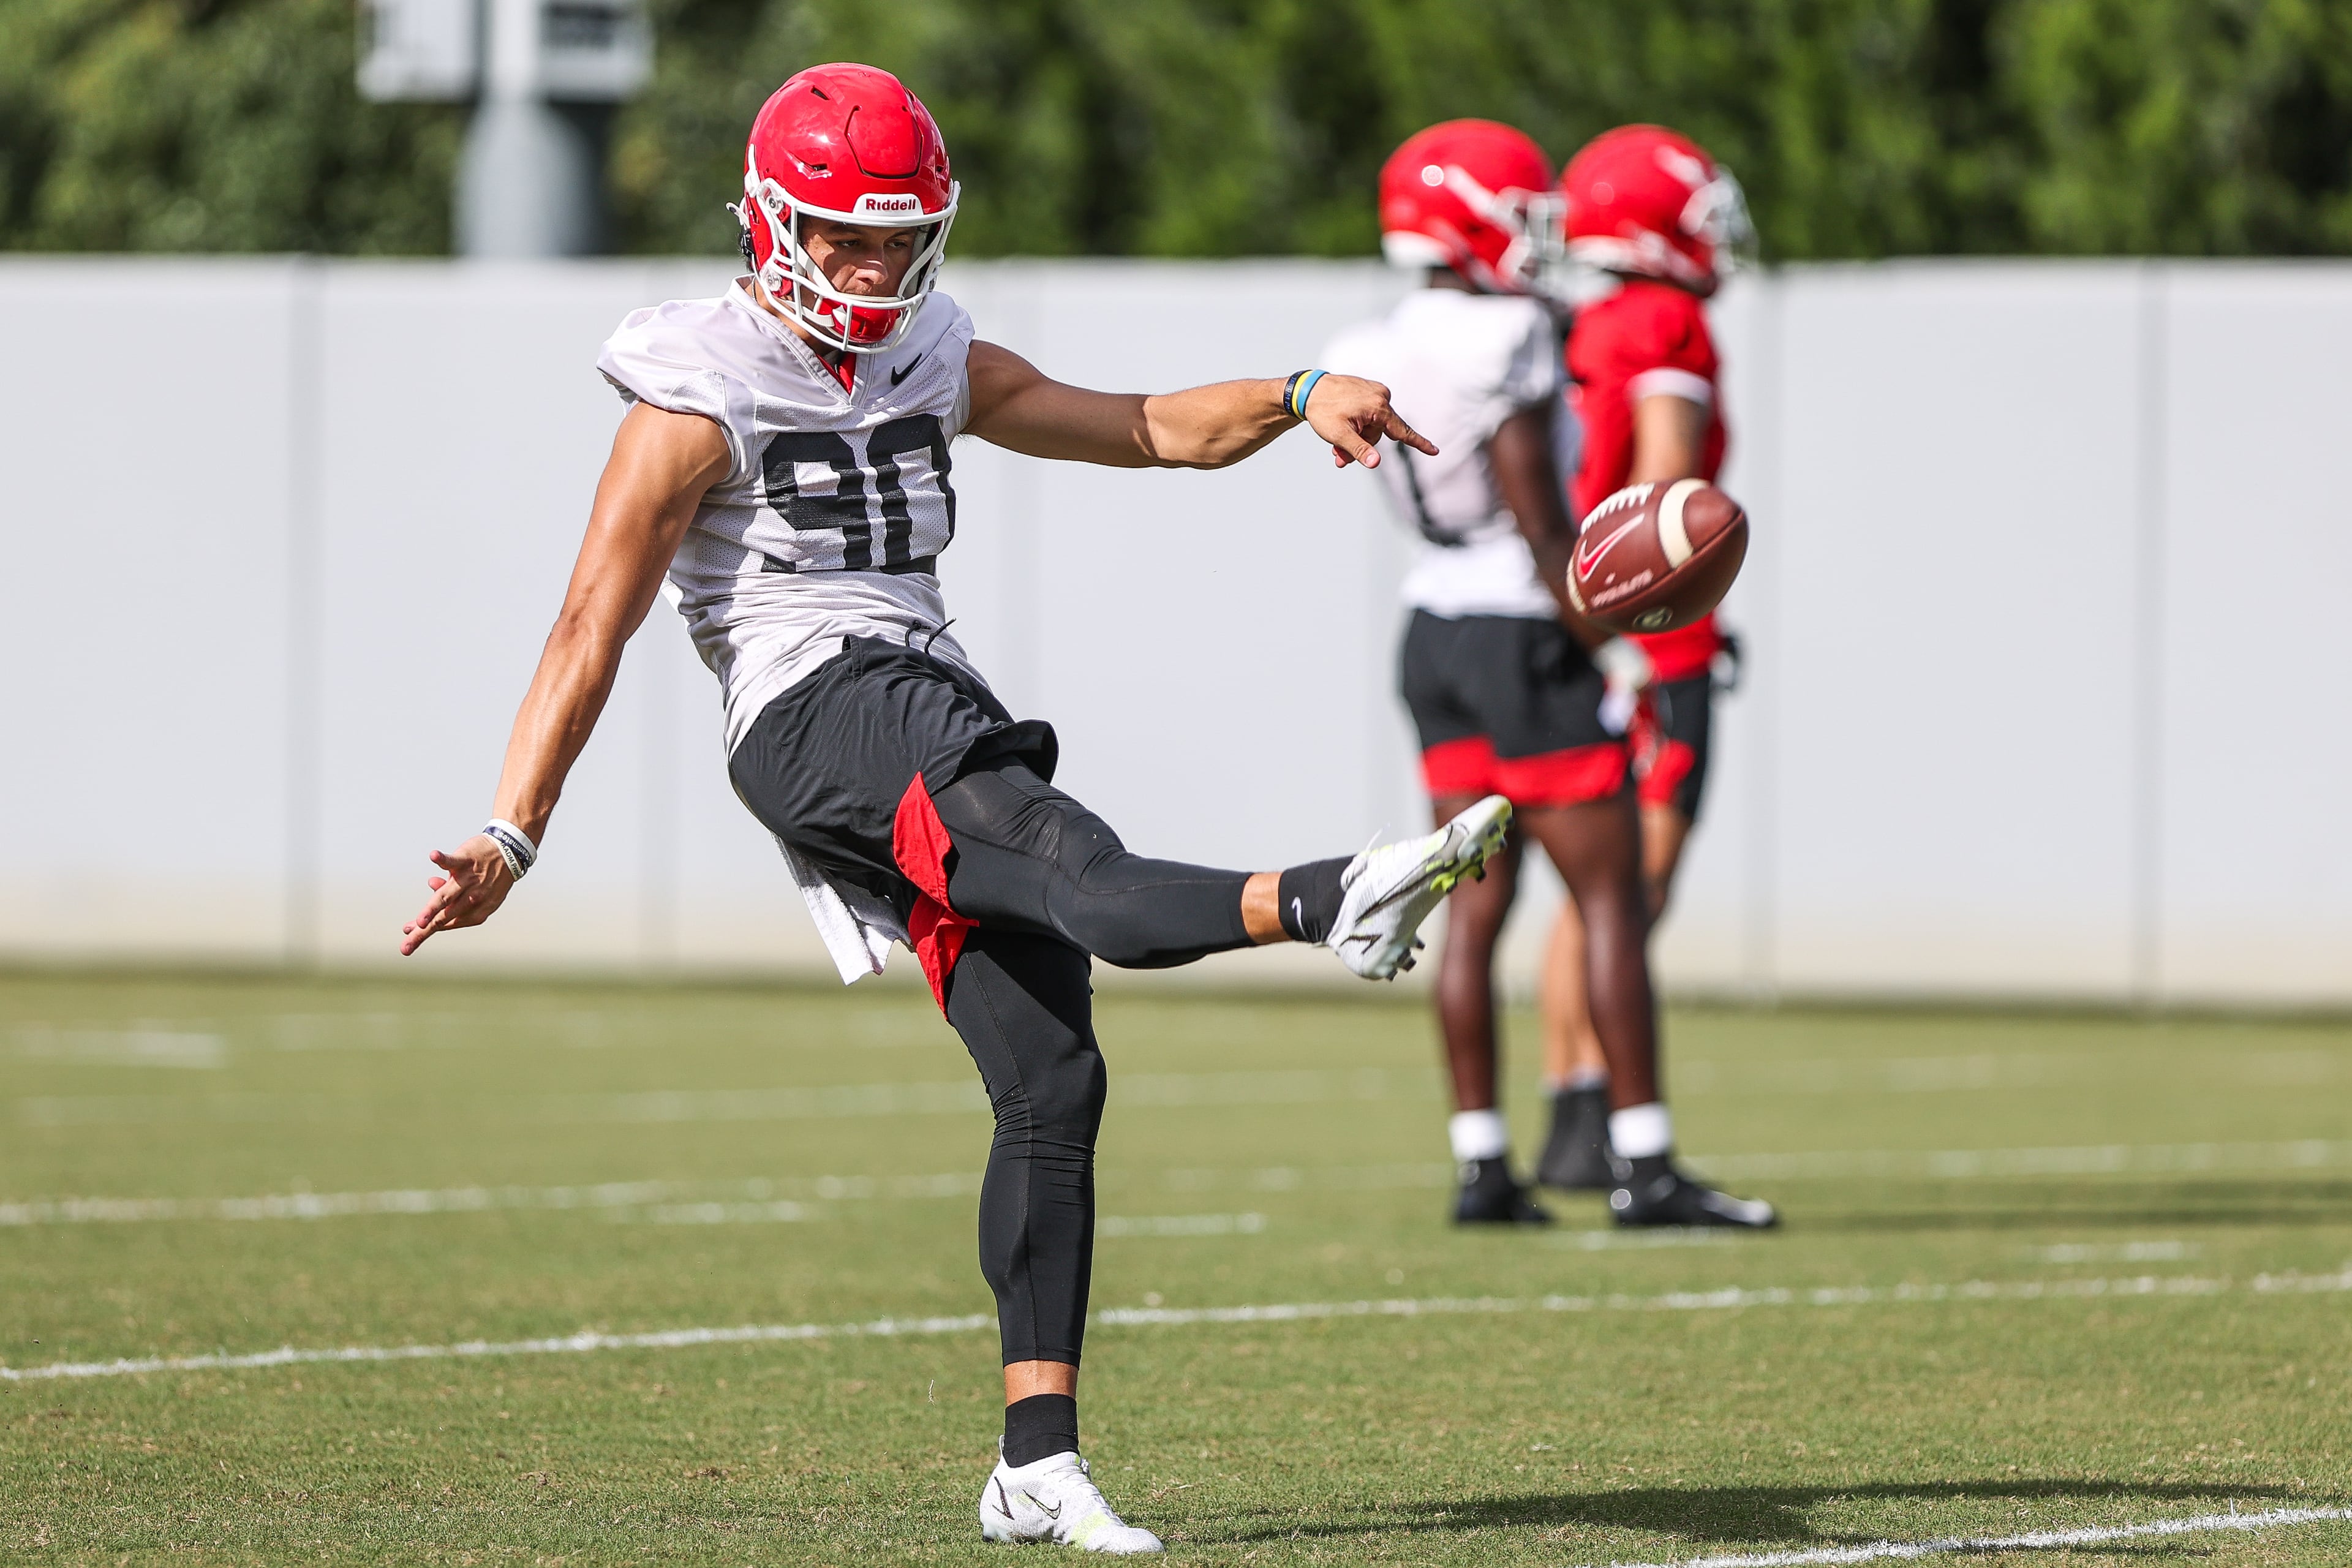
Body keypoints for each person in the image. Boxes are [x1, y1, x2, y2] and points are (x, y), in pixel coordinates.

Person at [396, 64, 1509, 1556]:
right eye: (845, 239)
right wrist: (514, 830)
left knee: (1053, 1075)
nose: (874, 267)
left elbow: (1143, 428)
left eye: (896, 237)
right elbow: (590, 620)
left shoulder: (929, 349)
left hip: (926, 691)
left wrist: (1299, 390)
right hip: (816, 706)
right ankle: (1331, 895)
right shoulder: (695, 382)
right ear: (772, 223)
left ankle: (1033, 1460)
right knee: (1084, 872)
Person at [1324, 121, 1772, 1234]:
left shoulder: (1371, 336)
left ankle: (1482, 1163)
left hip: (1431, 624)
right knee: (1611, 898)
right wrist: (1603, 643)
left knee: (1472, 902)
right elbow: (1537, 507)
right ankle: (1646, 1162)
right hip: (1526, 628)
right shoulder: (1514, 335)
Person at [1533, 125, 1757, 1201]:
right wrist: (1651, 626)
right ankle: (1614, 1132)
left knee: (1589, 889)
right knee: (1630, 888)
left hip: (1578, 630)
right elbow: (1666, 496)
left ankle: (1574, 1112)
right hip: (1654, 645)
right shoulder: (1667, 319)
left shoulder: (1582, 319)